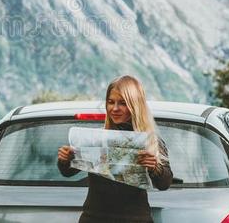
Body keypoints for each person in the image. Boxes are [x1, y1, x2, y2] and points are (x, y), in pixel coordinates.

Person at [57, 75, 173, 223]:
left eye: (122, 103)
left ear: (135, 105)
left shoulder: (151, 141)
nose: (115, 108)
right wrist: (65, 159)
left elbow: (164, 184)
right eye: (111, 102)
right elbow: (67, 172)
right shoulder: (96, 138)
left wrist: (154, 167)